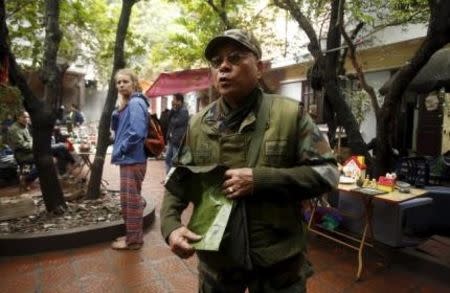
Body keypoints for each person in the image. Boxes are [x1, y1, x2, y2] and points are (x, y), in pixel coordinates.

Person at [160, 29, 339, 292]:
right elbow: (177, 183)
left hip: (277, 264)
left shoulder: (289, 115)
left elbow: (328, 173)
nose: (223, 66)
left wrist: (263, 180)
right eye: (216, 62)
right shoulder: (198, 125)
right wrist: (171, 227)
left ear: (260, 68)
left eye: (235, 57)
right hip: (217, 263)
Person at [110, 68, 148, 250]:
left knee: (131, 202)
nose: (121, 85)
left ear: (134, 83)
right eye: (118, 82)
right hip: (129, 159)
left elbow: (137, 133)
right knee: (129, 201)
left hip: (132, 159)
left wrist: (122, 149)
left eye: (125, 81)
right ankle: (132, 236)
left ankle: (133, 241)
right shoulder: (127, 104)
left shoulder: (135, 103)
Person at [164, 93, 189, 173]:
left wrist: (173, 116)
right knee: (168, 159)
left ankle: (172, 178)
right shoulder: (176, 110)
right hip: (172, 140)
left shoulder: (184, 111)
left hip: (177, 140)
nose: (173, 101)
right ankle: (168, 177)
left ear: (180, 101)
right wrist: (172, 109)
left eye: (174, 100)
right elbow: (168, 118)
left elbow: (177, 122)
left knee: (175, 161)